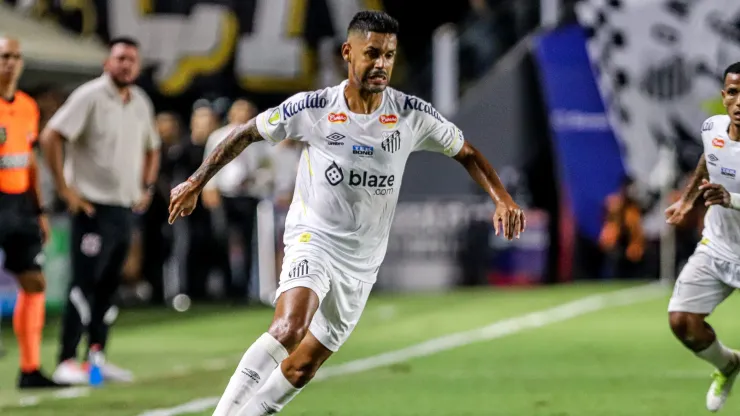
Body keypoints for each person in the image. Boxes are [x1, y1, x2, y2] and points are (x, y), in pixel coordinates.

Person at [168, 11, 525, 416]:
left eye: (389, 55)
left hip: (361, 263)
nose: (381, 64)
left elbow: (467, 152)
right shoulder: (315, 107)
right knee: (289, 328)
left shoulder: (411, 115)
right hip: (312, 239)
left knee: (302, 367)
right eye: (372, 53)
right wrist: (196, 181)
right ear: (348, 53)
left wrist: (502, 197)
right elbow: (247, 131)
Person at [39, 37, 161, 385]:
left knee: (109, 286)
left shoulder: (140, 101)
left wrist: (147, 188)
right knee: (83, 283)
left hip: (123, 208)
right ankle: (66, 358)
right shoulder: (90, 96)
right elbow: (51, 136)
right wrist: (65, 190)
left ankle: (96, 357)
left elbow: (153, 147)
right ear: (108, 62)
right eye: (120, 58)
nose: (125, 65)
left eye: (131, 60)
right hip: (92, 208)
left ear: (137, 66)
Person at [665, 61, 740, 412]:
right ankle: (727, 364)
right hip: (719, 246)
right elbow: (709, 159)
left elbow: (727, 192)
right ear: (724, 96)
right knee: (682, 321)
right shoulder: (713, 128)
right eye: (734, 93)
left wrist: (731, 199)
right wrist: (687, 200)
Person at [0, 36, 66, 389]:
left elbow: (29, 162)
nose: (9, 63)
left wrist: (39, 209)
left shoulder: (27, 106)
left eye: (15, 56)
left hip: (20, 204)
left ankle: (29, 369)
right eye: (3, 56)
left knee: (34, 282)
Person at [202, 98, 270, 303]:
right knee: (222, 239)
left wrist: (256, 179)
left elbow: (265, 168)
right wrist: (209, 188)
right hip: (224, 195)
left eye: (246, 110)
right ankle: (225, 285)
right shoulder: (219, 136)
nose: (242, 113)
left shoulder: (259, 139)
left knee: (249, 242)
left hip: (248, 195)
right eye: (238, 109)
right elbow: (209, 165)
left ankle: (244, 289)